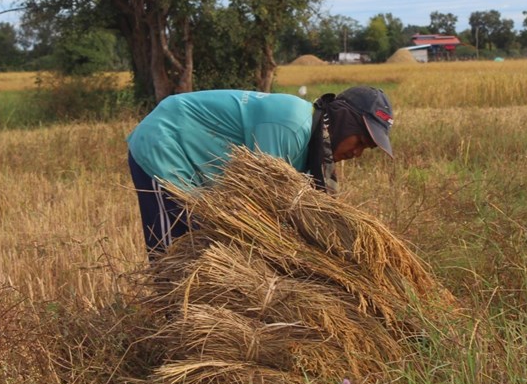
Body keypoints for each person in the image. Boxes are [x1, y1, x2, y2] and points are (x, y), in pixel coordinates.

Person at [126, 86, 394, 257]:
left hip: (195, 166)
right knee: (175, 252)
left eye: (365, 149)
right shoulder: (292, 125)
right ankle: (170, 327)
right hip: (165, 144)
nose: (356, 153)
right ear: (344, 123)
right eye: (359, 141)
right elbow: (260, 207)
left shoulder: (311, 143)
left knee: (202, 250)